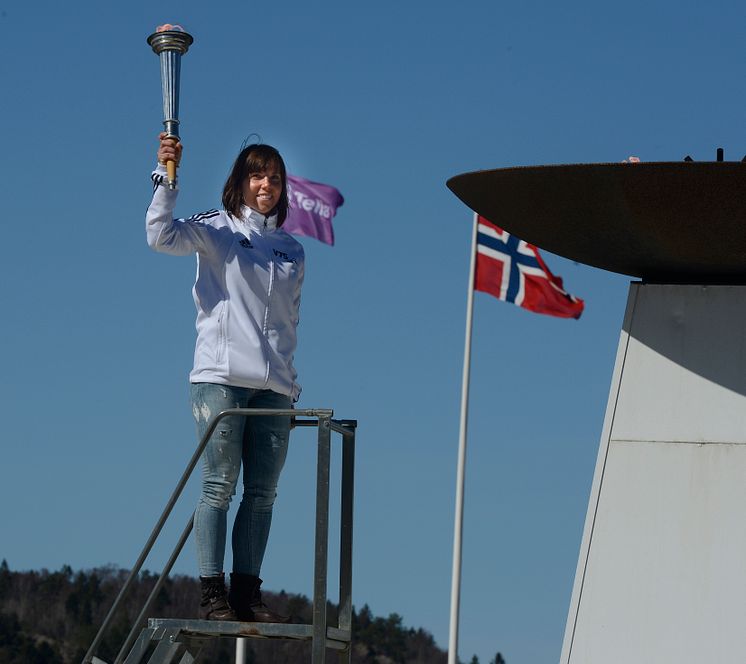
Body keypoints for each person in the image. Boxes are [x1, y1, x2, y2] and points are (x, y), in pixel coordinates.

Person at [146, 133, 305, 623]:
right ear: (240, 181)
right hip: (219, 377)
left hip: (274, 387)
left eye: (275, 178)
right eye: (258, 175)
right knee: (219, 484)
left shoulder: (293, 251)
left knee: (263, 494)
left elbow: (287, 323)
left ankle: (247, 594)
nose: (267, 185)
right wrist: (165, 177)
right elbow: (160, 235)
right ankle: (212, 593)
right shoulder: (215, 228)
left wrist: (289, 381)